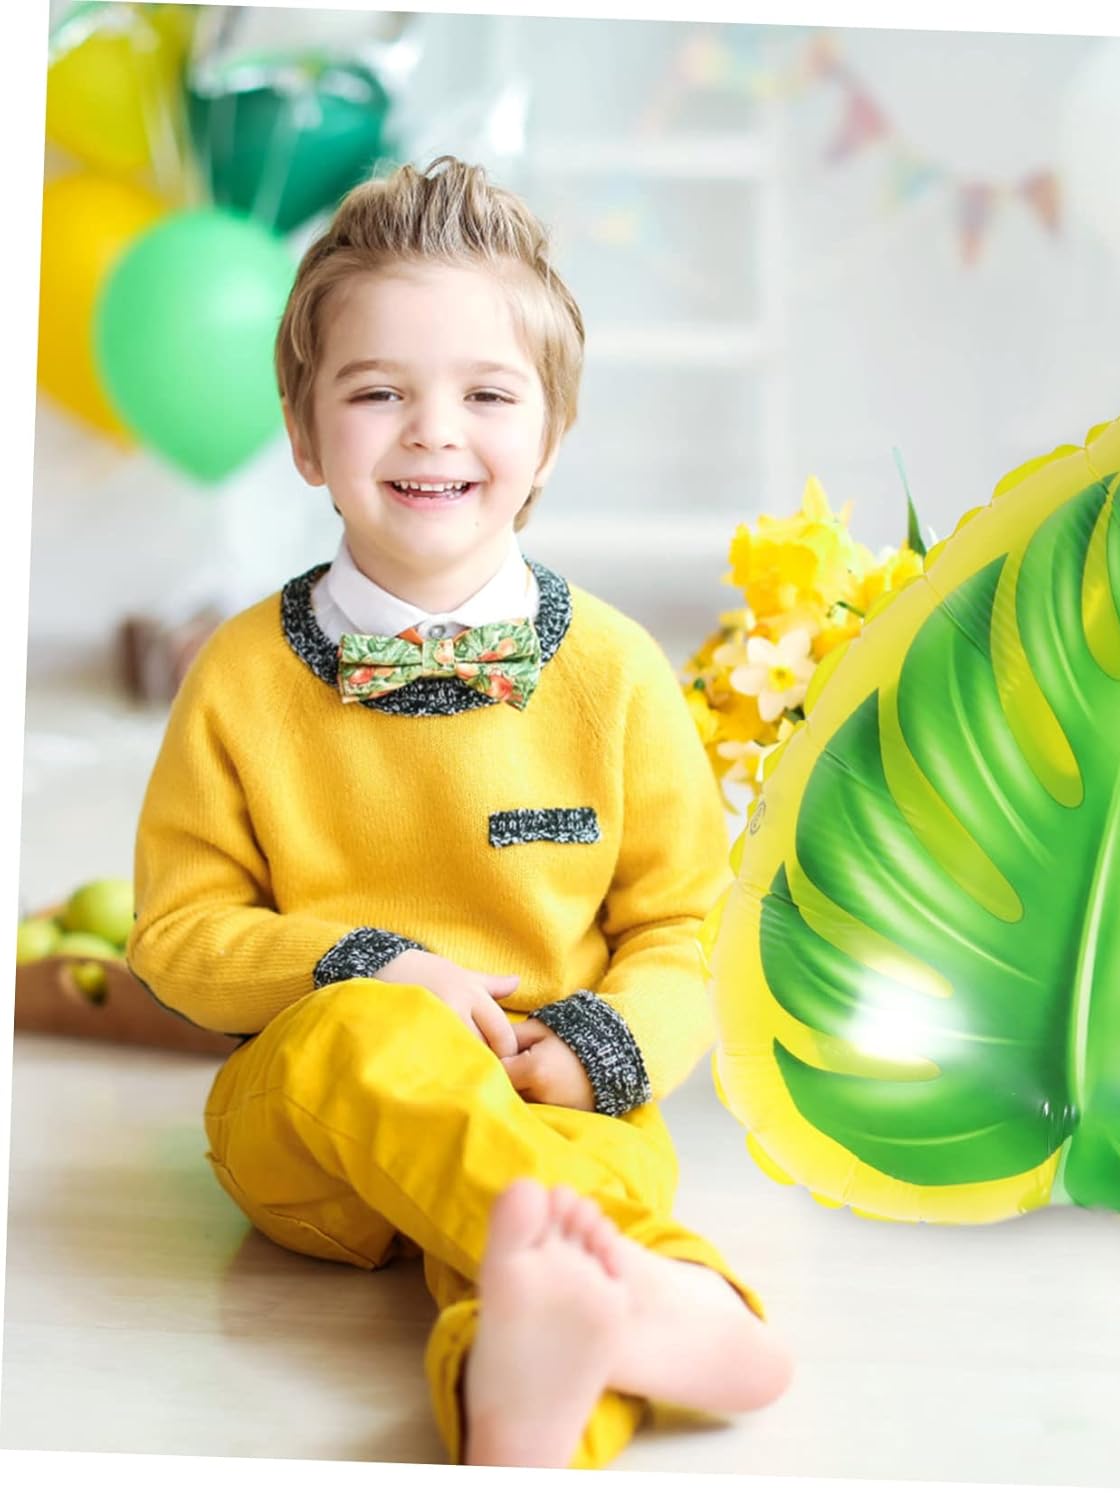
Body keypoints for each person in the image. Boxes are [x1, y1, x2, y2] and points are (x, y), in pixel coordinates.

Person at [127, 154, 794, 1469]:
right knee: (367, 1042)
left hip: (557, 1103)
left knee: (563, 1233)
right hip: (312, 1138)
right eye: (379, 392)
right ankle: (679, 1300)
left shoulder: (615, 674)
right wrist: (368, 968)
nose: (434, 431)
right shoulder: (242, 676)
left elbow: (690, 929)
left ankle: (524, 1410)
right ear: (304, 433)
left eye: (487, 394)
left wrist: (603, 1049)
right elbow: (180, 933)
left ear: (551, 436)